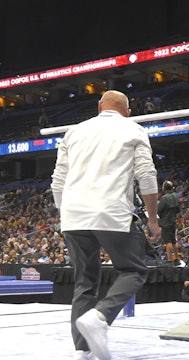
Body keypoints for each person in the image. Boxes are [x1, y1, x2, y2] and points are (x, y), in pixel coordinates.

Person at [51, 90, 160, 360]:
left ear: (99, 106)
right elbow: (146, 175)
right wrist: (153, 218)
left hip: (73, 213)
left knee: (84, 282)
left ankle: (81, 350)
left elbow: (57, 181)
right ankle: (100, 316)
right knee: (134, 271)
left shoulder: (74, 132)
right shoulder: (133, 129)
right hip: (110, 211)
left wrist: (65, 212)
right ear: (128, 111)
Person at [158, 180, 180, 265]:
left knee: (168, 241)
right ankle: (176, 259)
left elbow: (159, 210)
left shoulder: (164, 198)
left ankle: (170, 259)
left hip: (165, 221)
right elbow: (178, 209)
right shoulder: (176, 196)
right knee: (174, 241)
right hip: (173, 220)